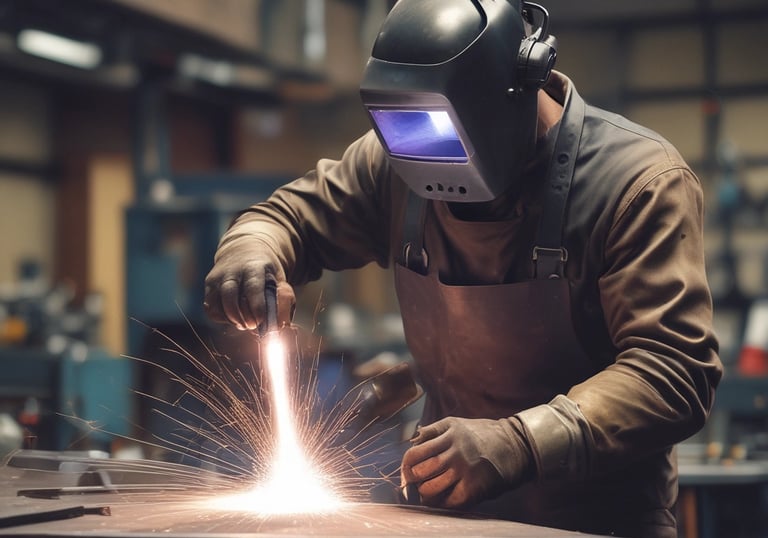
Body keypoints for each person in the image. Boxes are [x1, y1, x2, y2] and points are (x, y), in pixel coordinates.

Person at [203, 1, 723, 536]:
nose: (430, 164)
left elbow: (674, 371)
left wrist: (521, 442)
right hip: (451, 518)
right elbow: (291, 217)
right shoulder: (399, 158)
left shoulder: (635, 182)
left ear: (518, 87)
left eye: (451, 135)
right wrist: (251, 245)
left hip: (598, 523)